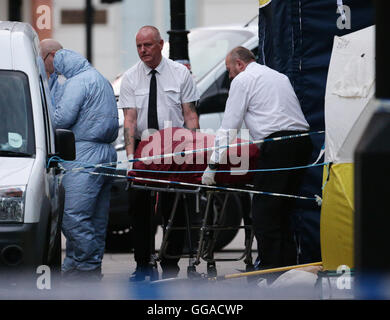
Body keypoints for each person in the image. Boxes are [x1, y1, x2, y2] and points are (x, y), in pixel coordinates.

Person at [201, 46, 313, 282]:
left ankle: (270, 273)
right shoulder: (279, 76)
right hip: (302, 144)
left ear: (240, 65)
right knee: (283, 210)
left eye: (229, 70)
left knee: (264, 212)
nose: (230, 76)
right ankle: (286, 271)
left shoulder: (243, 80)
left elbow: (229, 125)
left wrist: (212, 165)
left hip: (278, 146)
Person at [118, 26, 200, 281]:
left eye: (148, 45)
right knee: (138, 207)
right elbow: (129, 120)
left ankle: (171, 263)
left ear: (161, 44)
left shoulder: (179, 74)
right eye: (139, 46)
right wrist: (132, 160)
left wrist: (192, 150)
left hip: (174, 144)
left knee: (173, 206)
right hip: (144, 145)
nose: (143, 51)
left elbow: (190, 115)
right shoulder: (131, 77)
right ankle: (142, 264)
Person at [41, 47, 119, 281]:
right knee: (96, 217)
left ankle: (86, 266)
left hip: (82, 154)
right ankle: (81, 263)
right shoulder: (100, 79)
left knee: (72, 215)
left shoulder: (77, 82)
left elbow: (61, 119)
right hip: (106, 155)